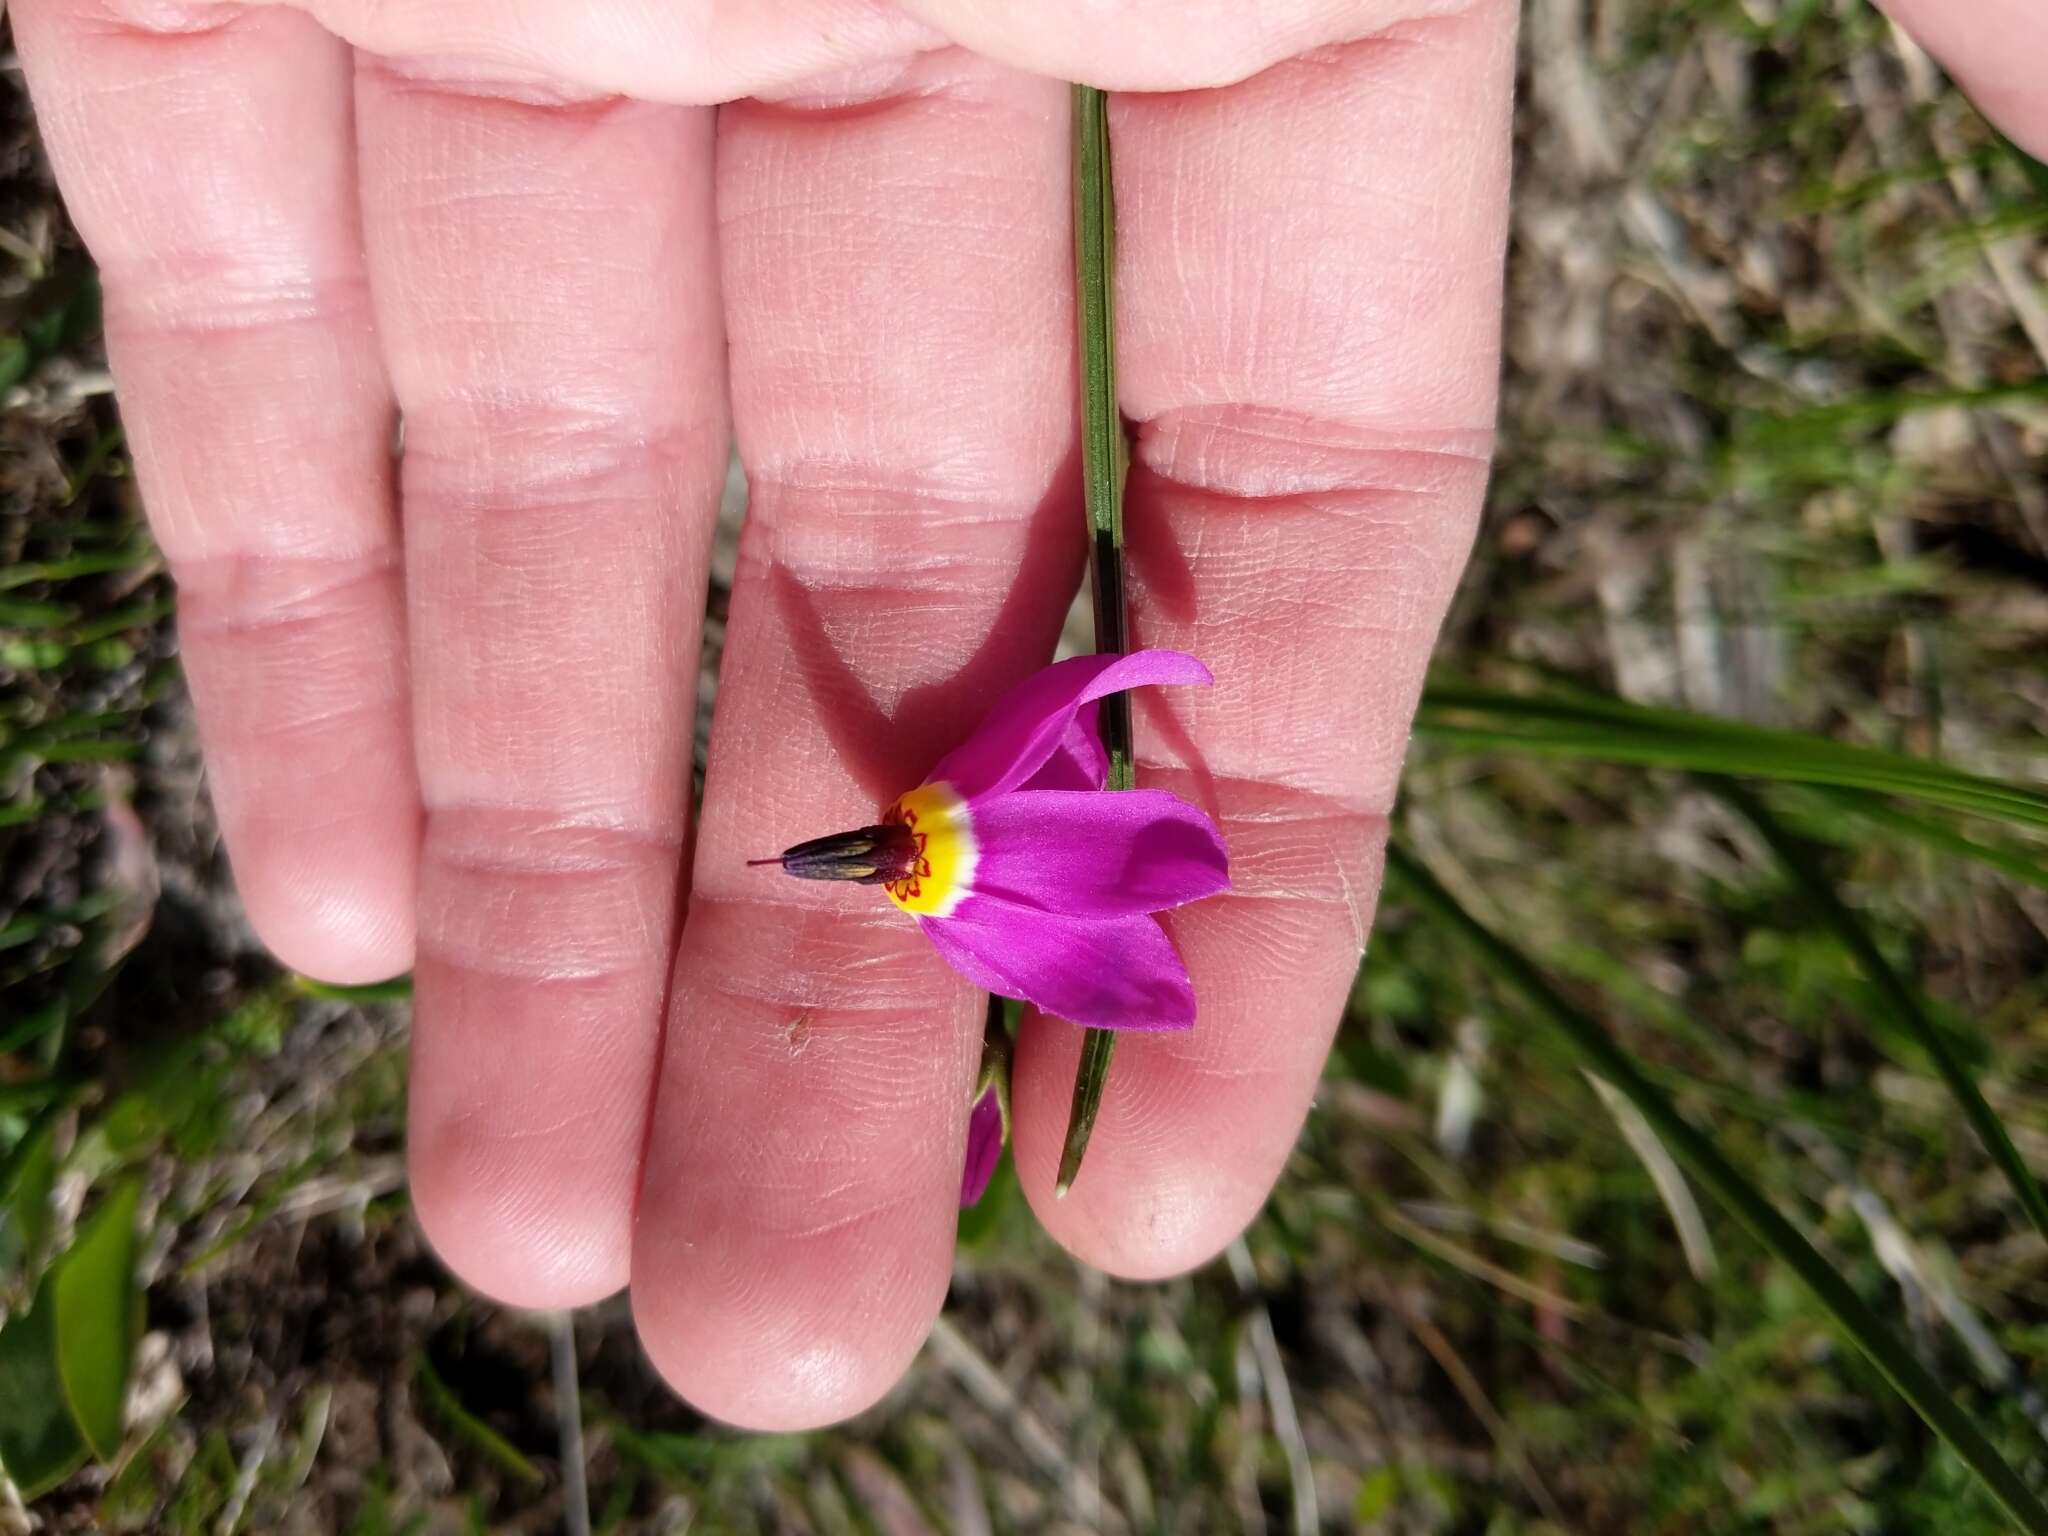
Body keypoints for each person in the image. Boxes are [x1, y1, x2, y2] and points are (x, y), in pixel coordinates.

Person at [11, 0, 2041, 1432]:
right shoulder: (981, 833)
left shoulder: (975, 847)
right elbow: (1102, 708)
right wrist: (1022, 779)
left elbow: (1110, 724)